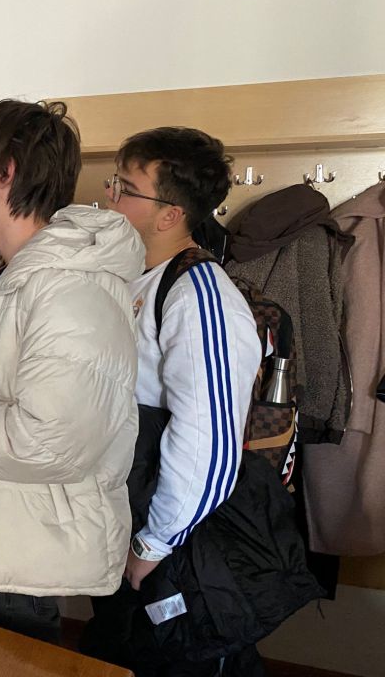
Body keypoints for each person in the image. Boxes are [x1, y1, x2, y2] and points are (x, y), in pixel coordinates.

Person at [0, 99, 144, 644]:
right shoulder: (13, 276)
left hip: (23, 558)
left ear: (7, 171)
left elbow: (49, 442)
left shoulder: (71, 287)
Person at [81, 127, 263, 676]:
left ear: (170, 215)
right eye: (114, 182)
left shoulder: (198, 295)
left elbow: (208, 441)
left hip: (172, 535)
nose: (110, 195)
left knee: (177, 657)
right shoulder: (134, 277)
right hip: (126, 510)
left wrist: (154, 543)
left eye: (125, 188)